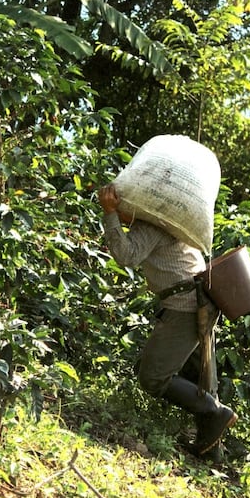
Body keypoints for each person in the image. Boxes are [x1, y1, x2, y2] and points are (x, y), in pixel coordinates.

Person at [98, 183, 237, 460]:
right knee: (202, 378)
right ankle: (213, 452)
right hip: (200, 302)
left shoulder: (153, 224)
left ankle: (216, 412)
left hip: (185, 306)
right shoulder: (177, 223)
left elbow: (126, 256)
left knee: (153, 377)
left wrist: (110, 213)